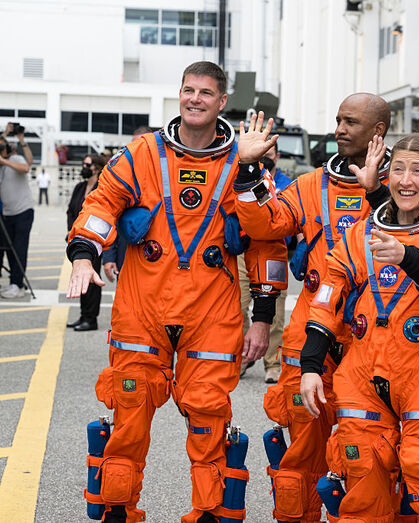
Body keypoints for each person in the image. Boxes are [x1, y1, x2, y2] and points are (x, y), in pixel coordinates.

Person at [66, 61, 286, 523]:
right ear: (179, 94)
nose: (196, 99)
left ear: (222, 101)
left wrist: (262, 317)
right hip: (142, 307)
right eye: (189, 90)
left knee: (209, 419)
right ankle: (117, 512)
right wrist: (84, 251)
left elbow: (266, 239)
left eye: (206, 93)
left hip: (211, 312)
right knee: (128, 415)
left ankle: (209, 514)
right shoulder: (142, 154)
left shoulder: (243, 163)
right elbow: (102, 202)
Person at [298, 134, 419, 521]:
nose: (406, 180)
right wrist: (311, 367)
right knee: (361, 474)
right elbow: (326, 301)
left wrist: (408, 257)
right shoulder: (359, 234)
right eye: (398, 169)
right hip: (362, 374)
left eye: (418, 171)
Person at [232, 93, 392, 523]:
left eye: (351, 122)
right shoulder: (310, 185)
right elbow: (264, 223)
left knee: (366, 453)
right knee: (302, 449)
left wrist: (378, 189)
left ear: (378, 131)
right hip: (312, 333)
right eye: (338, 119)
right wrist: (248, 168)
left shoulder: (404, 184)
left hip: (375, 339)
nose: (339, 128)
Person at [237, 139, 294, 383]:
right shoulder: (242, 176)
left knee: (275, 312)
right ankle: (242, 356)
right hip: (242, 249)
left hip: (275, 249)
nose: (264, 156)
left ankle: (272, 363)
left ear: (277, 156)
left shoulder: (287, 184)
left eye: (269, 153)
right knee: (236, 305)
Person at [103, 126, 155, 283]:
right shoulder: (122, 179)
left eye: (140, 144)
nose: (135, 150)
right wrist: (108, 257)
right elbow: (110, 216)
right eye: (132, 145)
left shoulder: (169, 177)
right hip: (126, 259)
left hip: (159, 262)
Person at [65, 154, 106, 331]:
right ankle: (83, 315)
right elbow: (71, 211)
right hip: (77, 238)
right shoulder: (80, 186)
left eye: (87, 164)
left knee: (92, 279)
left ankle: (91, 318)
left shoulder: (101, 187)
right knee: (81, 277)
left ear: (96, 167)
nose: (84, 166)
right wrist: (71, 231)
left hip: (95, 241)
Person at [0, 132, 34, 299]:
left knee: (19, 249)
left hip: (23, 211)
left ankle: (18, 285)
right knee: (9, 250)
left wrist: (4, 160)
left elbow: (26, 168)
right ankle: (13, 282)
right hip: (7, 213)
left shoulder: (16, 160)